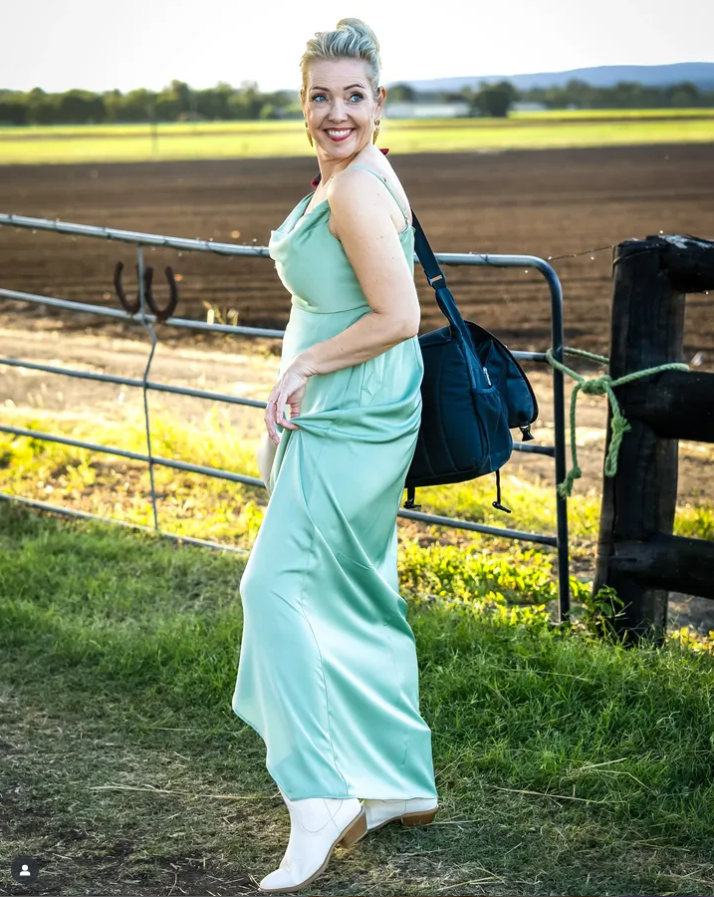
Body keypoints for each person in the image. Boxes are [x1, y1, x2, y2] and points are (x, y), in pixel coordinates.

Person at [232, 17, 439, 894]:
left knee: (272, 586)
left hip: (352, 410)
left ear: (379, 102)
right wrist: (295, 380)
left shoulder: (355, 187)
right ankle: (396, 780)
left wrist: (305, 368)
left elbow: (399, 315)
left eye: (354, 96)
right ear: (304, 102)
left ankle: (319, 800)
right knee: (356, 586)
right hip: (356, 402)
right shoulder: (353, 173)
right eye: (321, 96)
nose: (336, 111)